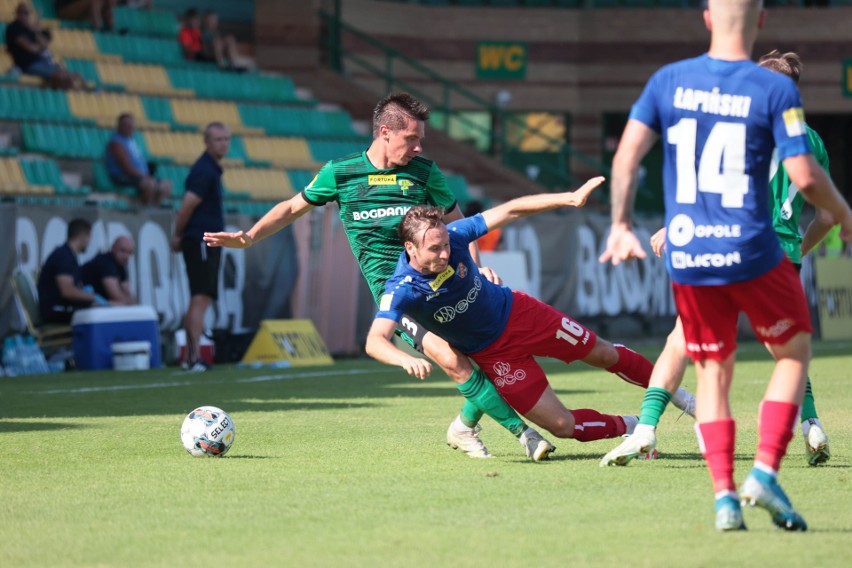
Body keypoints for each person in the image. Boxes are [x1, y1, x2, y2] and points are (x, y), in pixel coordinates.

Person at [599, 0, 852, 532]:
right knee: (793, 352)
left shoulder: (671, 82)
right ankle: (766, 466)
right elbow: (805, 177)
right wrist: (841, 211)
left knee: (708, 367)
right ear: (760, 21)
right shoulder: (775, 93)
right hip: (761, 250)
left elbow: (626, 157)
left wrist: (621, 222)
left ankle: (722, 497)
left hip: (697, 252)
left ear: (706, 17)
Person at [204, 92, 556, 461]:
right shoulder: (341, 173)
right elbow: (292, 207)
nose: (419, 147)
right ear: (385, 132)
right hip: (400, 294)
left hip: (447, 282)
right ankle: (526, 435)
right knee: (452, 360)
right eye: (412, 139)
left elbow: (457, 224)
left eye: (422, 139)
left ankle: (464, 427)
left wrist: (478, 265)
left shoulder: (425, 172)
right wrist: (250, 236)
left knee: (482, 356)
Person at [365, 186, 696, 448]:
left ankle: (678, 396)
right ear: (410, 248)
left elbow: (511, 209)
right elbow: (375, 340)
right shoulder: (402, 288)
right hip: (494, 355)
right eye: (434, 249)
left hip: (522, 315)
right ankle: (632, 427)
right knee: (563, 427)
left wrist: (568, 197)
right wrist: (401, 360)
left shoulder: (456, 234)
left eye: (445, 245)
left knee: (604, 354)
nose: (445, 253)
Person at [171, 122, 230, 372]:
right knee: (200, 297)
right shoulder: (204, 170)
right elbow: (187, 205)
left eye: (226, 139)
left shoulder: (211, 168)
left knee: (201, 297)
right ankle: (192, 357)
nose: (223, 144)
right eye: (217, 139)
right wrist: (178, 233)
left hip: (204, 240)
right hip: (201, 240)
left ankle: (192, 356)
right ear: (206, 141)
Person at [37, 218, 105, 324]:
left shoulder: (69, 256)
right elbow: (67, 292)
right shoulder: (63, 257)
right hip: (55, 312)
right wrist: (93, 297)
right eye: (89, 237)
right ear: (83, 236)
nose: (89, 242)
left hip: (62, 309)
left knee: (100, 311)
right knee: (99, 318)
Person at [5, 2, 84, 90]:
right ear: (16, 13)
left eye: (26, 13)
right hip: (28, 65)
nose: (24, 15)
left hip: (41, 62)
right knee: (61, 76)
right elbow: (31, 48)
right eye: (21, 12)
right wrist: (39, 46)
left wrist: (36, 31)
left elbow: (45, 45)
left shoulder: (30, 29)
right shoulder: (13, 28)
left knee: (74, 76)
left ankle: (81, 91)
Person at [105, 113, 172, 206]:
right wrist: (144, 176)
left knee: (166, 185)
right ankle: (145, 210)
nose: (130, 128)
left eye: (131, 125)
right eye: (126, 125)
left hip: (139, 176)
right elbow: (127, 168)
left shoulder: (132, 141)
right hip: (123, 177)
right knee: (149, 184)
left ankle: (155, 209)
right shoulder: (116, 143)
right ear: (119, 126)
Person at [81, 236, 136, 305]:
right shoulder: (105, 262)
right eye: (123, 250)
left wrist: (129, 302)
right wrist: (129, 302)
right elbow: (116, 296)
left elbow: (128, 294)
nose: (126, 256)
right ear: (113, 248)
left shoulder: (120, 265)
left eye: (129, 252)